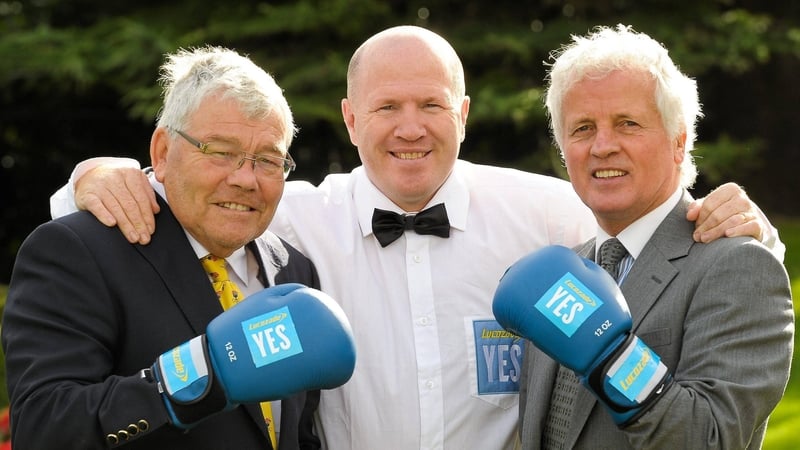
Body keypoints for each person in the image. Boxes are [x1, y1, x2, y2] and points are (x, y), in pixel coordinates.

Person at [49, 27, 783, 449]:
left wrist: (753, 229)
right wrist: (91, 177)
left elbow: (659, 236)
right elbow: (196, 193)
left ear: (462, 113)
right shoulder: (290, 215)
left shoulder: (550, 211)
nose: (409, 126)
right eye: (387, 106)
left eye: (430, 103)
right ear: (349, 119)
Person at [1, 46, 358, 449]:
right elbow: (42, 428)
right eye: (221, 152)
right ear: (163, 153)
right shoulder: (76, 250)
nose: (246, 178)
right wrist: (188, 381)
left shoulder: (291, 269)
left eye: (267, 159)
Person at [505, 25, 794, 448]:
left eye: (627, 123)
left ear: (679, 143)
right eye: (583, 128)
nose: (603, 146)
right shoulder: (562, 273)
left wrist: (611, 358)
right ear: (563, 148)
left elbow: (710, 439)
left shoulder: (738, 266)